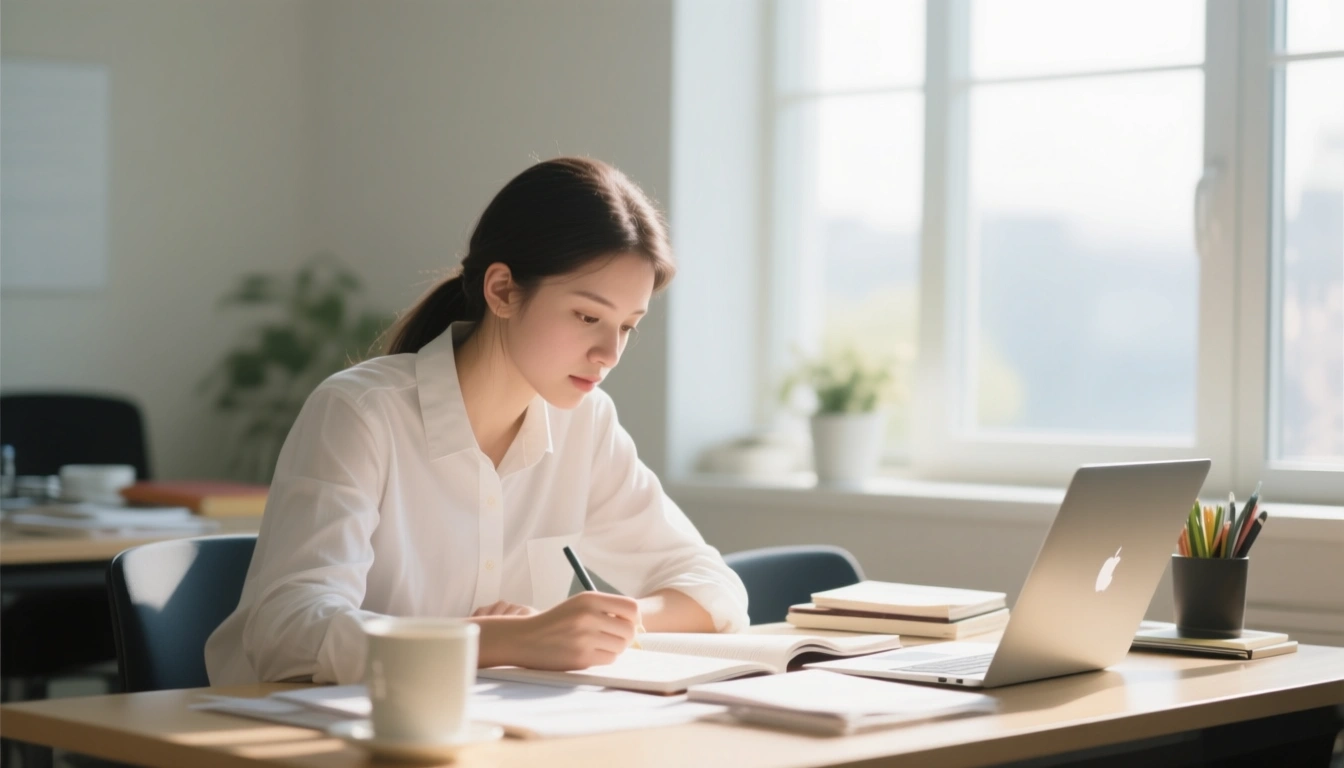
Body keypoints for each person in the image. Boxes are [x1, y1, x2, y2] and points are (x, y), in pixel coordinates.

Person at [205, 157, 749, 685]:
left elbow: (713, 587)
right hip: (300, 737)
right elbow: (289, 633)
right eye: (587, 317)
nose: (610, 352)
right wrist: (509, 638)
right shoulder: (361, 414)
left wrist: (601, 624)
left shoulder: (587, 424)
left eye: (628, 326)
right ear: (502, 291)